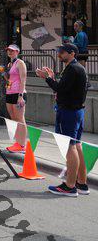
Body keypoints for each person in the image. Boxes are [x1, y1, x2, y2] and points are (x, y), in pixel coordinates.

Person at [37, 44, 89, 197]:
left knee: (70, 146)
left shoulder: (73, 69)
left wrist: (47, 78)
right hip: (77, 111)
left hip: (69, 112)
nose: (59, 54)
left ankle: (70, 186)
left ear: (72, 53)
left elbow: (60, 89)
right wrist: (52, 78)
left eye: (62, 52)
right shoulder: (77, 68)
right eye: (59, 51)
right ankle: (81, 183)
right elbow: (65, 88)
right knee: (76, 145)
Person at [3, 45, 28, 153]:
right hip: (10, 92)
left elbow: (23, 80)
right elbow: (9, 80)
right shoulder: (10, 64)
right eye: (8, 50)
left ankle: (22, 145)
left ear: (17, 52)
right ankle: (18, 143)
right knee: (13, 118)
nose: (10, 52)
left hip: (18, 93)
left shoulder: (20, 63)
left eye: (12, 51)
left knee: (20, 119)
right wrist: (3, 73)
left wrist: (20, 96)